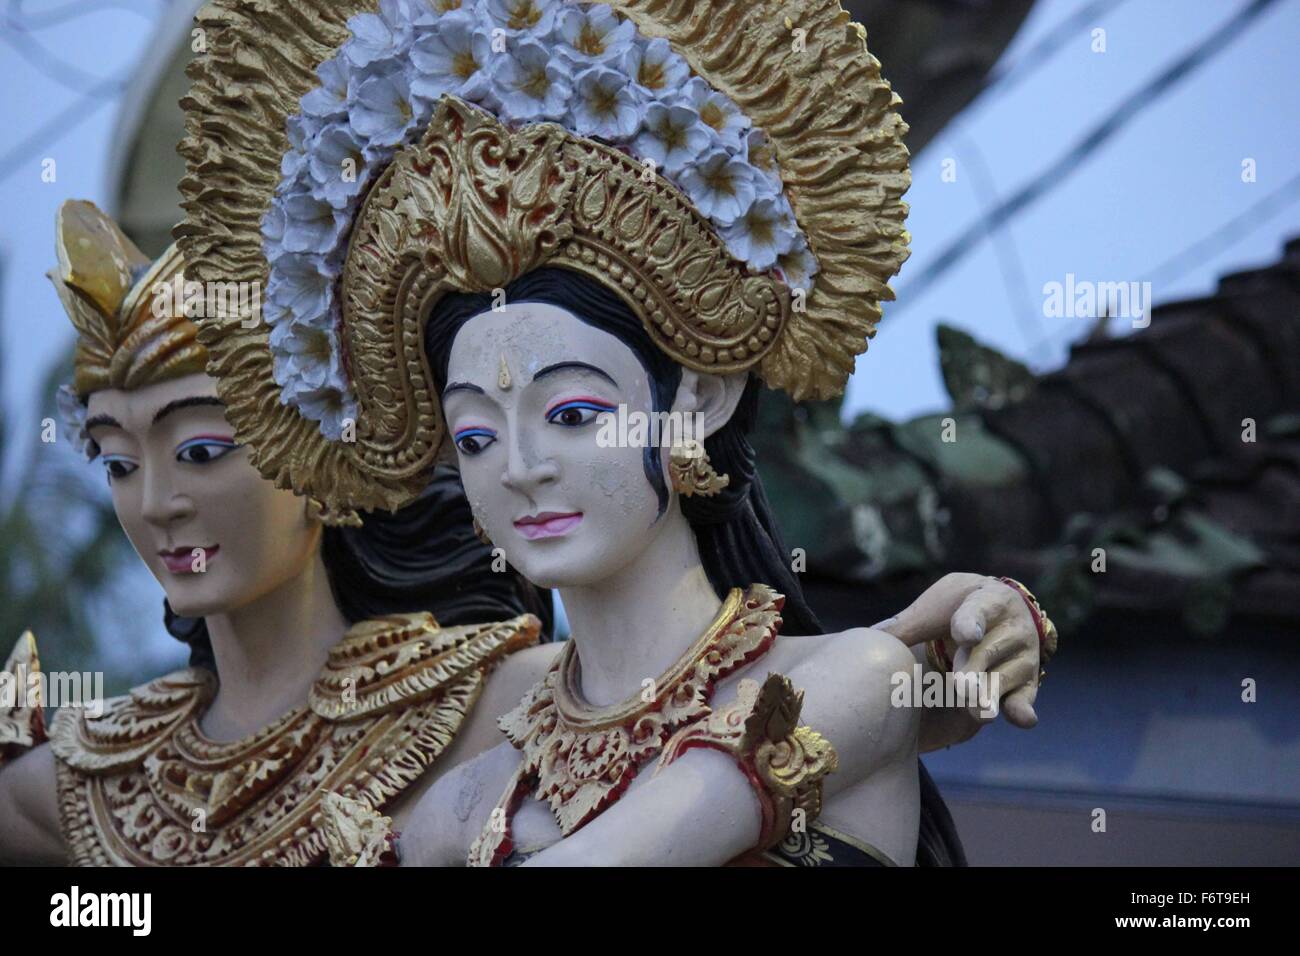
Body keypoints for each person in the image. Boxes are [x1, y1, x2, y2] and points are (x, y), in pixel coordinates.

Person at [175, 0, 1057, 865]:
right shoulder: (469, 797)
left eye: (572, 416)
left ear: (698, 398)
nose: (519, 468)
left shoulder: (845, 682)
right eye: (475, 437)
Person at [0, 201, 549, 865]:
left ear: (321, 457)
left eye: (200, 452)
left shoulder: (506, 702)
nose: (154, 504)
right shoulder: (91, 777)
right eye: (119, 462)